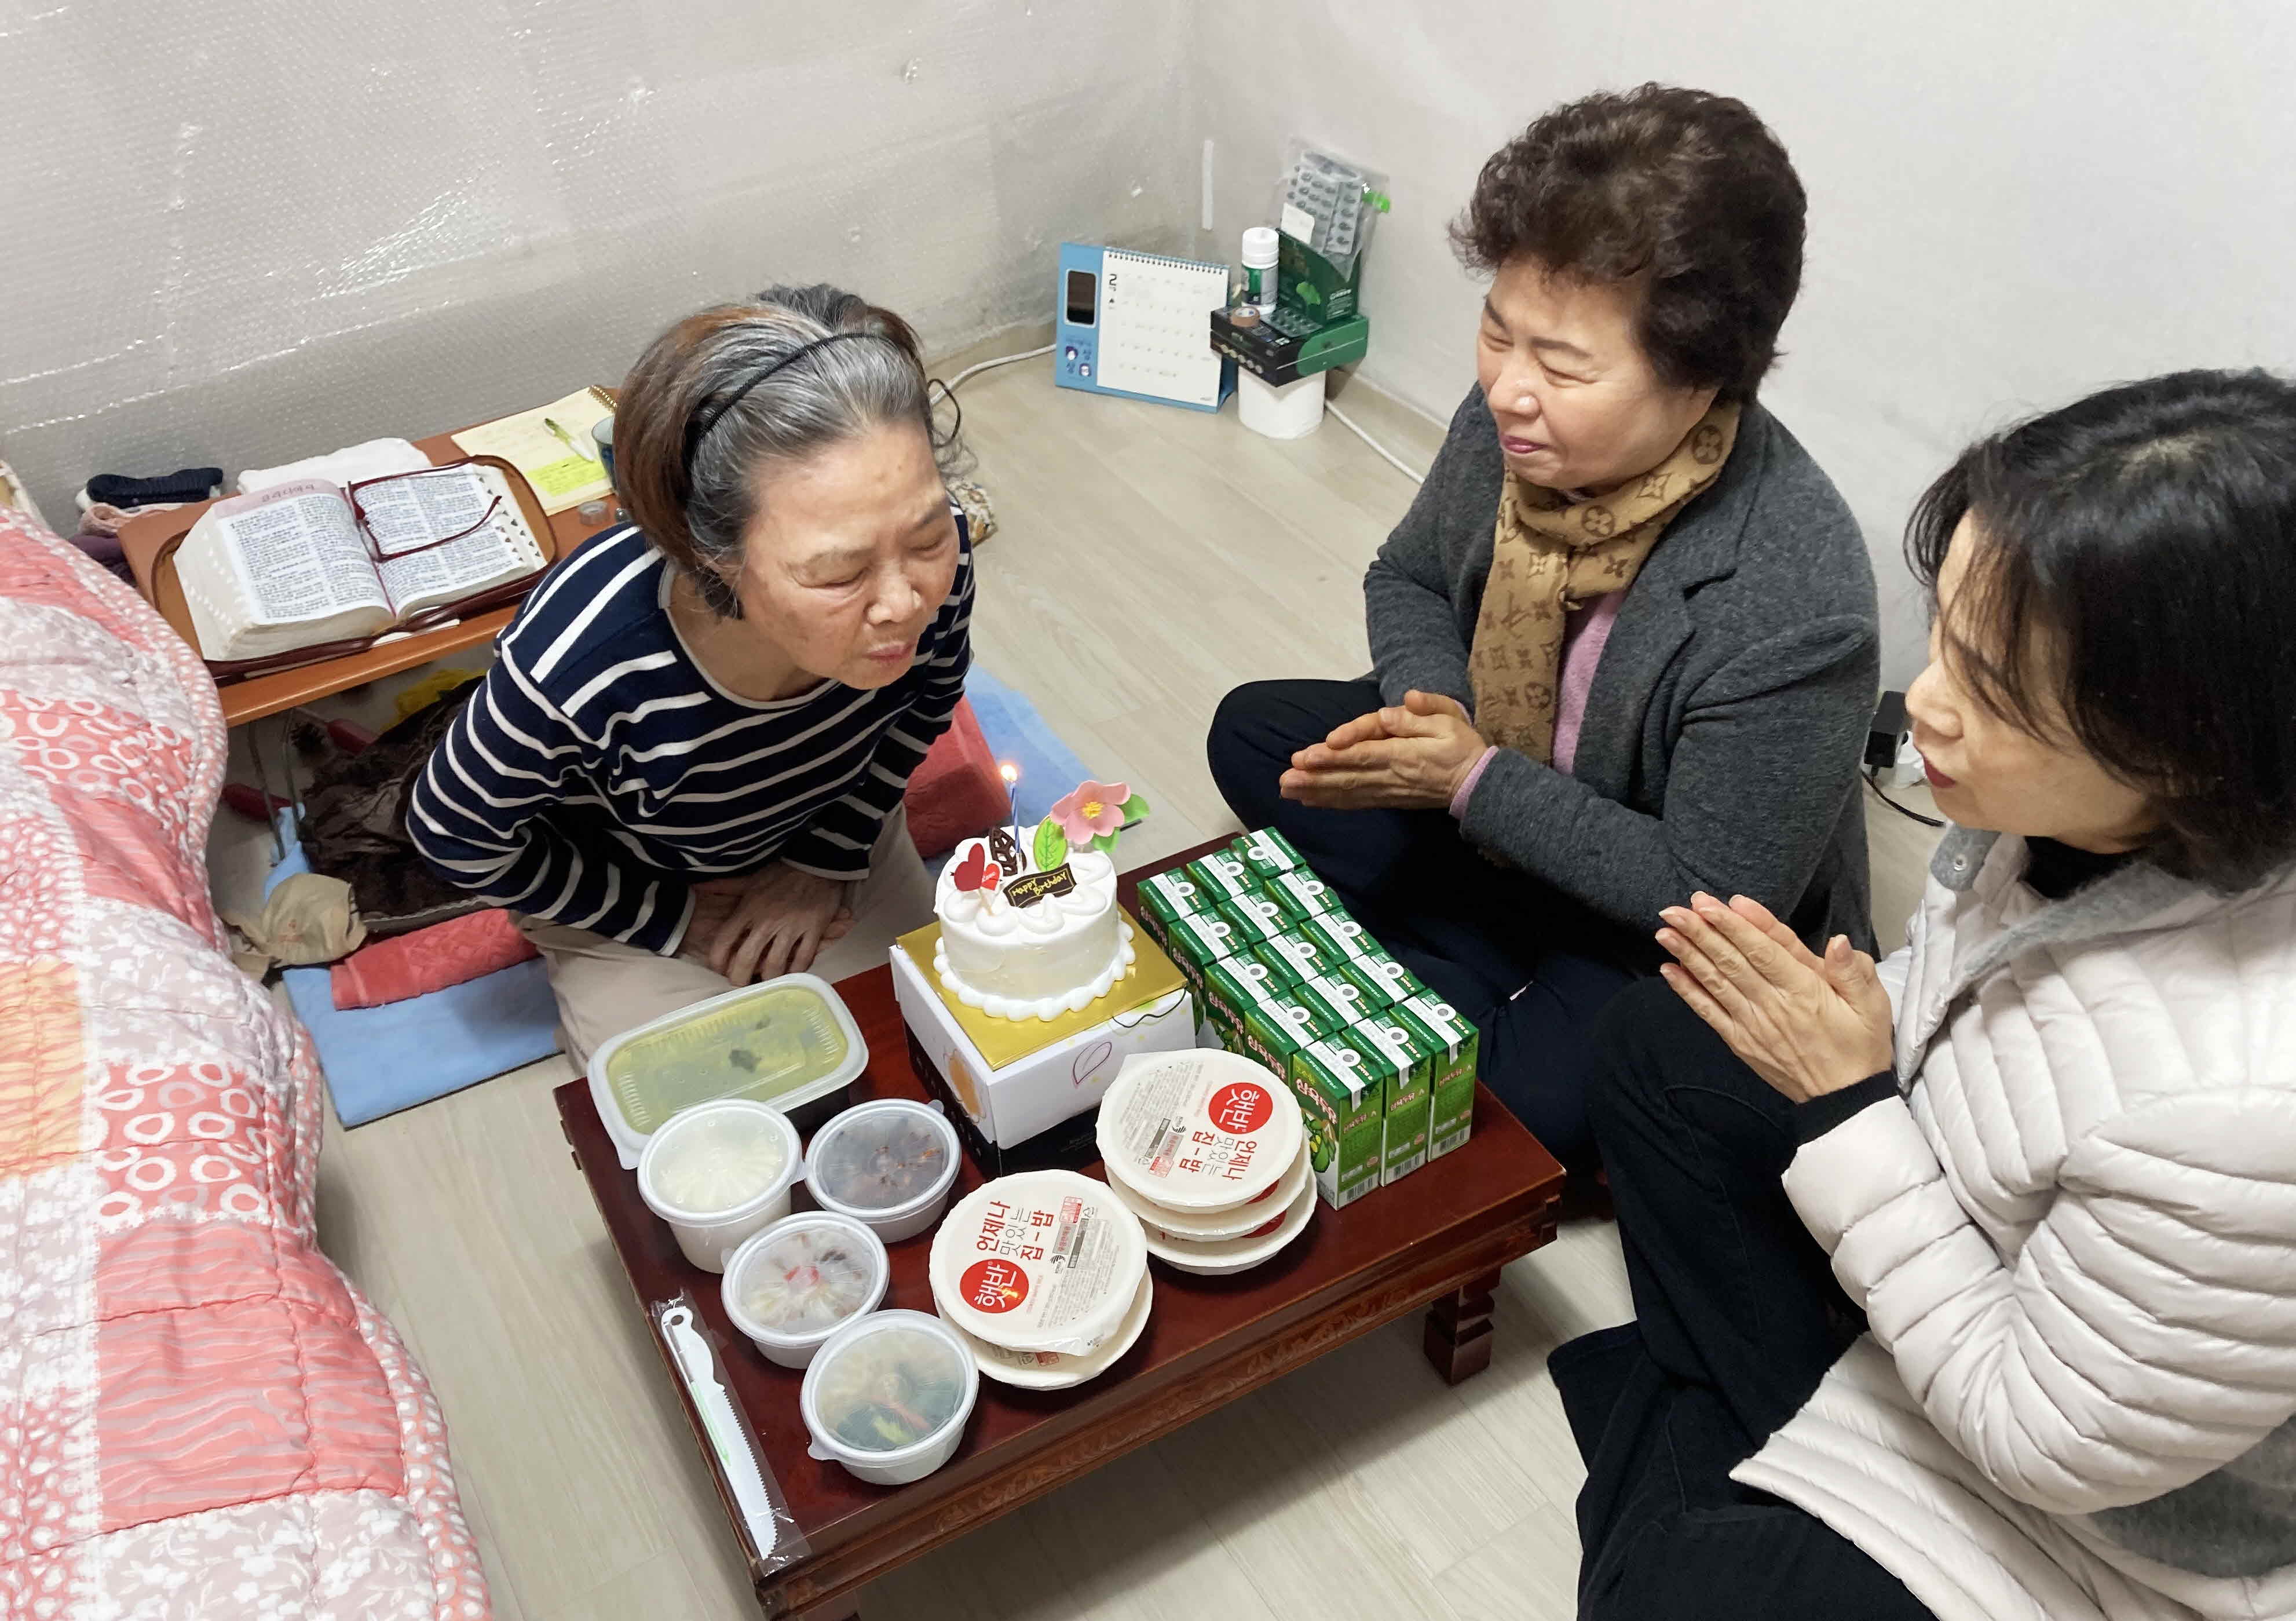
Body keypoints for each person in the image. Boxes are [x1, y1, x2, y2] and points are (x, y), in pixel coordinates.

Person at [1558, 369, 2296, 1620]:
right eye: (1942, 636)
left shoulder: (2239, 1107)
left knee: (1665, 1593)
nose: (1923, 706)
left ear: (2185, 747)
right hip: (1946, 1245)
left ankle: (1696, 1433)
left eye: (1992, 690)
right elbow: (1989, 1013)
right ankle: (1715, 1438)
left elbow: (2036, 1435)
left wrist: (1847, 1100)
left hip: (2097, 1521)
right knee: (1650, 1037)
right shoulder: (2070, 816)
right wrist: (1869, 1014)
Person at [1205, 85, 1878, 1169]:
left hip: (1651, 908)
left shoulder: (1791, 591)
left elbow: (1716, 893)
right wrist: (1439, 717)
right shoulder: (1520, 429)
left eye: (1562, 365)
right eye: (1495, 331)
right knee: (1251, 734)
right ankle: (1473, 954)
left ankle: (1463, 955)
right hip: (1490, 784)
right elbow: (1410, 575)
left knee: (1534, 1110)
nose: (1506, 388)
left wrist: (1468, 783)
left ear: (1703, 376)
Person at [408, 285, 970, 1064]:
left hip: (832, 827)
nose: (904, 601)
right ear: (712, 554)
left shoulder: (932, 559)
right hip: (632, 881)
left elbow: (929, 695)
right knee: (707, 1124)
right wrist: (669, 917)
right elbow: (450, 830)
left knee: (939, 1042)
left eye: (928, 533)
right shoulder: (578, 663)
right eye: (840, 572)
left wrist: (826, 857)